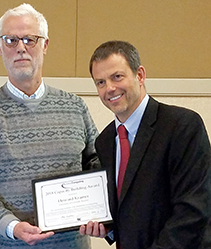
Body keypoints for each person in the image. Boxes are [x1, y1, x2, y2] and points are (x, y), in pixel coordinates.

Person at [0, 3, 99, 249]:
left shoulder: (75, 107)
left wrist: (100, 213)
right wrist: (12, 226)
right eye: (11, 40)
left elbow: (97, 167)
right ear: (0, 47)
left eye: (30, 39)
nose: (21, 48)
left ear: (45, 45)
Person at [79, 40, 211, 248]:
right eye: (100, 82)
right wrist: (108, 227)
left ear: (139, 75)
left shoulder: (182, 125)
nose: (110, 89)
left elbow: (194, 210)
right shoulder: (104, 142)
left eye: (117, 77)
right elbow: (128, 209)